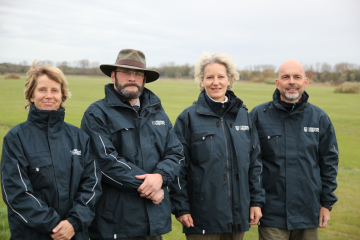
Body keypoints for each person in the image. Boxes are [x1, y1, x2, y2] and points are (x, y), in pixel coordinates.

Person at [81, 48, 183, 240]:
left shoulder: (158, 113)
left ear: (144, 80)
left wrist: (160, 177)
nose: (132, 77)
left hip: (153, 223)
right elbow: (104, 161)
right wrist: (150, 187)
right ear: (113, 76)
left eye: (137, 74)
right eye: (126, 72)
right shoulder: (97, 113)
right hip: (115, 224)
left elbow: (176, 152)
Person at [169, 52, 265, 240]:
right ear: (201, 81)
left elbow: (255, 164)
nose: (216, 82)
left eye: (221, 77)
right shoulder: (187, 118)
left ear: (229, 79)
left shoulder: (244, 116)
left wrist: (256, 202)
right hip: (201, 219)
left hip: (238, 217)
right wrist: (181, 207)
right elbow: (178, 168)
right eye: (209, 77)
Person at [1, 61, 102, 240]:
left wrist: (73, 223)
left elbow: (91, 186)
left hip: (74, 234)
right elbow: (16, 194)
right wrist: (56, 226)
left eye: (55, 90)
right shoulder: (16, 138)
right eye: (42, 90)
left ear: (62, 95)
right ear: (31, 95)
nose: (49, 96)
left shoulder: (80, 138)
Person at [249, 59, 339, 240]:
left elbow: (328, 164)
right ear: (277, 83)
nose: (291, 81)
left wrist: (326, 204)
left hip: (308, 212)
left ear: (305, 82)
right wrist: (255, 202)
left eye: (297, 77)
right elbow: (250, 164)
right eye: (285, 77)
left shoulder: (319, 118)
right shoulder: (258, 116)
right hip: (271, 213)